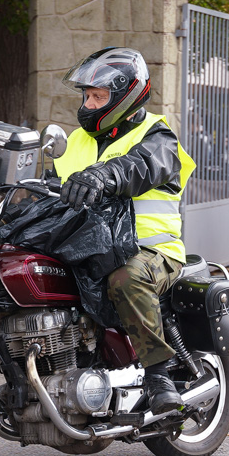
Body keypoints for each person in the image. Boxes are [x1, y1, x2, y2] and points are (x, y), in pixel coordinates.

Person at [53, 47, 196, 413]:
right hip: (90, 250)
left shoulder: (158, 136)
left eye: (98, 96)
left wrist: (104, 174)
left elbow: (141, 166)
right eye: (86, 95)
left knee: (126, 279)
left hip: (150, 253)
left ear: (125, 97)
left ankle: (158, 376)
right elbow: (49, 188)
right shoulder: (75, 142)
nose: (88, 103)